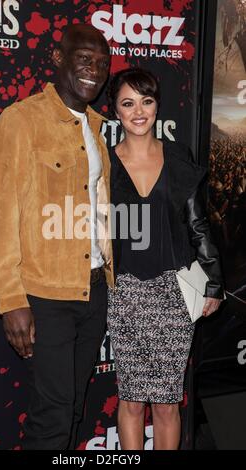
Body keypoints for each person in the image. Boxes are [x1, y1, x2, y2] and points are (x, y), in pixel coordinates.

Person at [0, 24, 113, 450]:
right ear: (58, 58)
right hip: (47, 295)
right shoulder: (21, 121)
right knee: (53, 414)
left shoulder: (96, 127)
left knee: (74, 406)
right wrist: (11, 299)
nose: (94, 70)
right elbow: (0, 217)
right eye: (84, 59)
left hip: (93, 289)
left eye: (102, 63)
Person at [106, 68, 224, 450]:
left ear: (157, 105)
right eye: (128, 103)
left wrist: (214, 281)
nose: (138, 111)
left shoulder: (177, 157)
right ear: (116, 112)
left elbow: (198, 225)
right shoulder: (103, 165)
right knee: (130, 400)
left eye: (146, 101)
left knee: (167, 404)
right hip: (123, 293)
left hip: (173, 293)